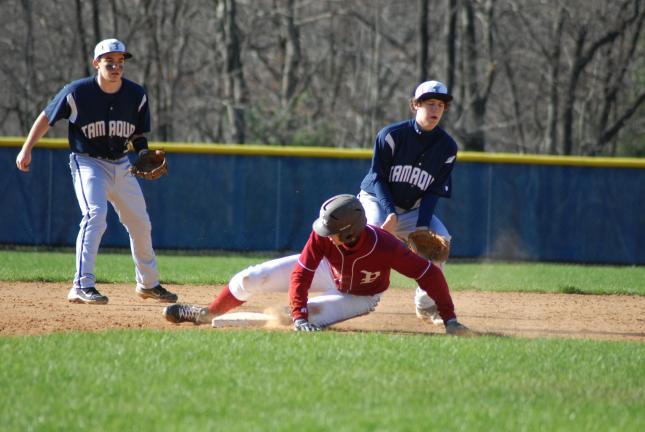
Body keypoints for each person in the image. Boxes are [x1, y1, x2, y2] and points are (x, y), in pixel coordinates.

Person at [163, 194, 472, 336]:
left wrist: (451, 319)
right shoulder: (324, 238)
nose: (324, 234)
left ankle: (286, 316)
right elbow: (302, 272)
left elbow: (428, 274)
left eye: (332, 232)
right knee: (250, 277)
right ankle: (208, 312)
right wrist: (300, 315)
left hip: (360, 295)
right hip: (330, 270)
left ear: (349, 233)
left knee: (290, 315)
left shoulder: (385, 246)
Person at [15, 38, 177, 305]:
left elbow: (137, 133)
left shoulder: (136, 95)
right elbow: (47, 117)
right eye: (109, 61)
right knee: (95, 215)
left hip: (122, 164)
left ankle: (148, 284)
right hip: (88, 162)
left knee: (140, 221)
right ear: (96, 64)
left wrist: (144, 153)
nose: (116, 67)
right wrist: (27, 148)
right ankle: (81, 285)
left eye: (120, 61)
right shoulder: (77, 92)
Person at [358, 80, 457, 325]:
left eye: (441, 105)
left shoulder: (447, 147)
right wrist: (389, 212)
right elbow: (378, 178)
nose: (436, 110)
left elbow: (433, 191)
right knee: (374, 232)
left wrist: (422, 225)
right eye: (430, 103)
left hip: (413, 209)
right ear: (415, 105)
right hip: (377, 200)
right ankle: (356, 291)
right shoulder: (391, 136)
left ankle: (426, 305)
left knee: (440, 242)